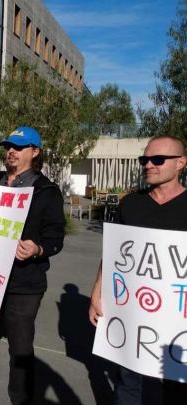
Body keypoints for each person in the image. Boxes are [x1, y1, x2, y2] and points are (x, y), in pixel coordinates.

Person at [0, 127, 65, 405]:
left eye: (18, 147)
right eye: (8, 146)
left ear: (35, 152)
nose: (11, 152)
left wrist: (37, 249)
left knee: (20, 350)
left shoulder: (47, 191)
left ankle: (21, 400)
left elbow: (55, 238)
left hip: (24, 285)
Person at [89, 135, 187, 405]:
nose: (148, 165)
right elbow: (113, 253)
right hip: (133, 316)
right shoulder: (131, 204)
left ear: (181, 163)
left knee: (177, 388)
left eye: (158, 159)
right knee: (127, 383)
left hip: (177, 320)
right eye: (144, 159)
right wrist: (97, 291)